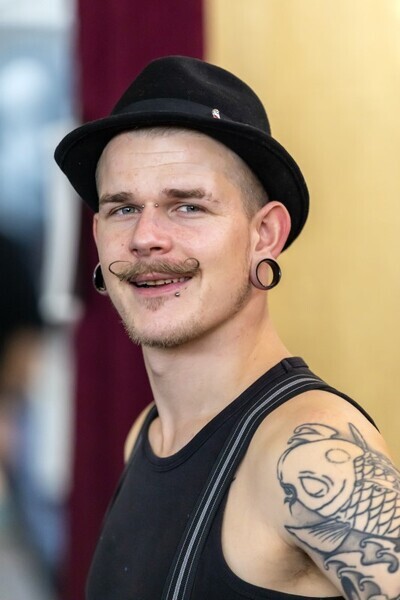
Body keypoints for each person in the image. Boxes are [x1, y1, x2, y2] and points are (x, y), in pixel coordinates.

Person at [55, 56, 400, 600]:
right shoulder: (147, 434)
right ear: (97, 233)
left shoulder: (309, 453)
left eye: (188, 207)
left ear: (265, 236)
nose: (145, 237)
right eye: (123, 209)